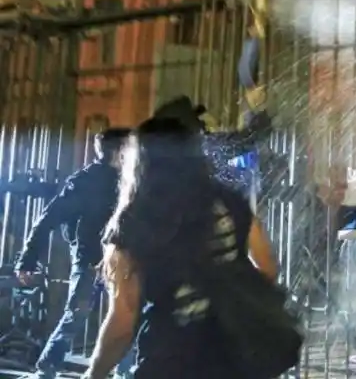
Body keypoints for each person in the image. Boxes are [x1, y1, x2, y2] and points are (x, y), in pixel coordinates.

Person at [81, 116, 278, 379]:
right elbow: (268, 269)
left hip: (171, 361)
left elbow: (122, 323)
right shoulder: (229, 203)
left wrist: (93, 375)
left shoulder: (135, 220)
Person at [15, 128, 134, 379]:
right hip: (92, 259)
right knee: (77, 315)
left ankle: (126, 373)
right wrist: (27, 259)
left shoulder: (132, 180)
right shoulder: (85, 181)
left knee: (126, 315)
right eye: (130, 146)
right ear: (119, 151)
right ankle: (46, 369)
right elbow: (49, 217)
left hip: (120, 260)